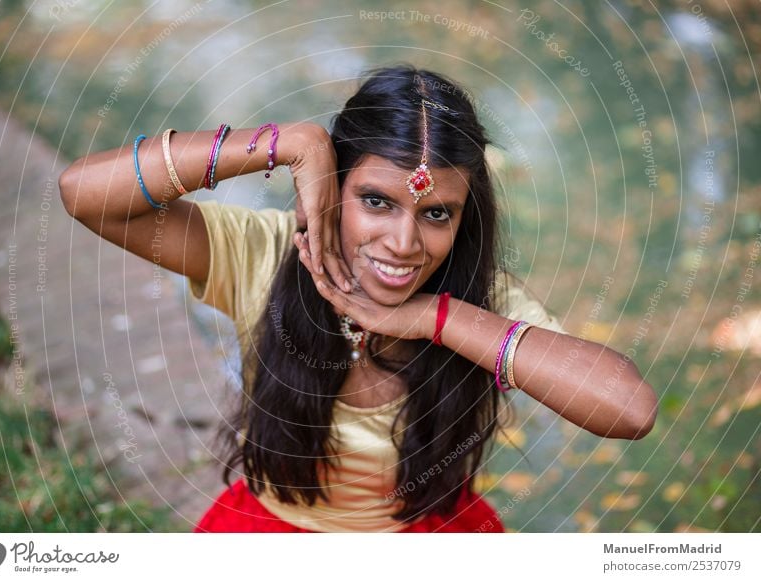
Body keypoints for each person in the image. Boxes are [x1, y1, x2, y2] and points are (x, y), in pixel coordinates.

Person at [59, 64, 657, 533]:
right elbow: (83, 193)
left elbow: (629, 410)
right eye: (376, 201)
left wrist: (437, 317)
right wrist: (287, 142)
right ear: (333, 184)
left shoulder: (479, 299)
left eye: (436, 213)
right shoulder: (264, 254)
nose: (403, 244)